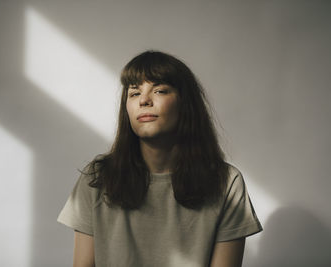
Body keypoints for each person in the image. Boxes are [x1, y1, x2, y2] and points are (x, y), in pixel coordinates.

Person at [57, 50, 262, 267]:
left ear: (186, 104)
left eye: (160, 90)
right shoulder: (97, 179)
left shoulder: (226, 182)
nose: (144, 100)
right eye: (134, 93)